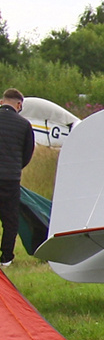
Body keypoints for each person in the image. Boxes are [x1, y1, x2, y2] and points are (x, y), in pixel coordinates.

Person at [0, 88, 34, 268]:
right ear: (19, 105)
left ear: (1, 102)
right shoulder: (24, 124)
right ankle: (6, 257)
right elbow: (27, 153)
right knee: (10, 219)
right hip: (10, 179)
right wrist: (14, 166)